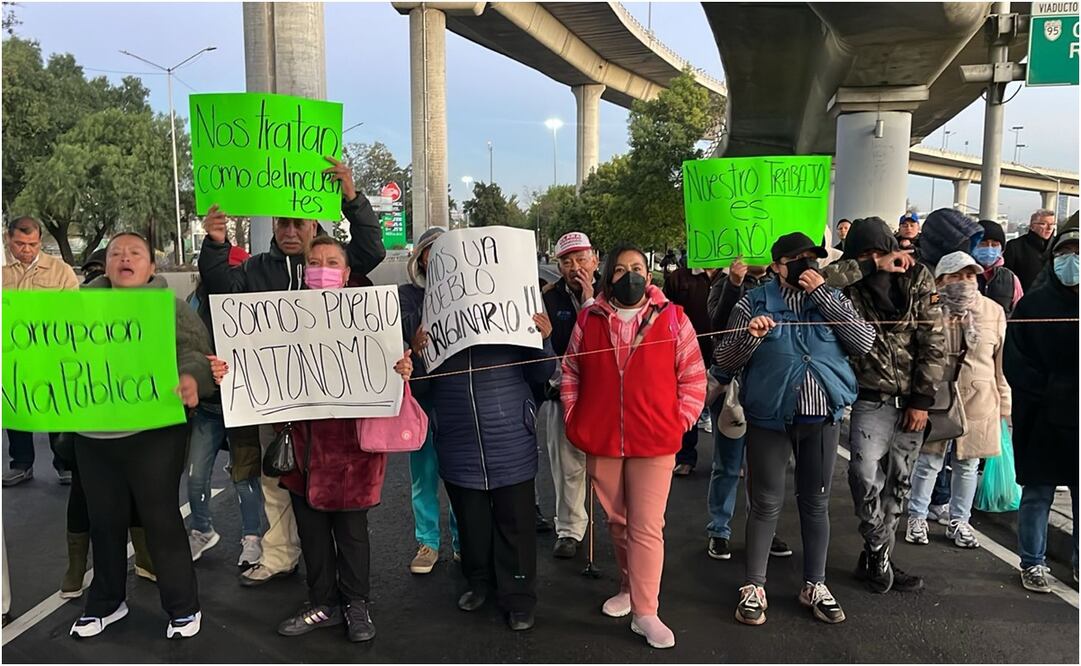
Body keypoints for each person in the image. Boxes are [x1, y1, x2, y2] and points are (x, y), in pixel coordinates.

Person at [213, 237, 414, 642]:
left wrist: (402, 366)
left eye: (332, 261)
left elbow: (392, 366)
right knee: (313, 533)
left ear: (346, 270)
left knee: (352, 534)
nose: (323, 268)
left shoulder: (370, 313)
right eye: (315, 261)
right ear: (305, 269)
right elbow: (255, 362)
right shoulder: (279, 315)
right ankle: (322, 601)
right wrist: (227, 371)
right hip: (303, 449)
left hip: (354, 449)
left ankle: (356, 604)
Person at [198, 156, 385, 587]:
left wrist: (352, 198)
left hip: (332, 397)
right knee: (275, 477)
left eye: (298, 223)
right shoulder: (254, 269)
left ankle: (339, 567)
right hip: (275, 398)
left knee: (330, 482)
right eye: (282, 223)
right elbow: (220, 290)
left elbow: (372, 250)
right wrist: (214, 243)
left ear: (314, 226)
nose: (289, 231)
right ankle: (280, 554)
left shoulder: (333, 261)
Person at [716, 233, 874, 626]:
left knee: (815, 502)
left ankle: (814, 584)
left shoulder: (833, 299)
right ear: (776, 266)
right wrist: (749, 338)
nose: (807, 264)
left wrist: (822, 295)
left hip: (822, 418)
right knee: (765, 502)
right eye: (797, 259)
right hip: (770, 417)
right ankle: (753, 586)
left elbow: (864, 342)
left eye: (812, 258)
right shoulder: (752, 301)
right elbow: (724, 361)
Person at [561, 244, 706, 649]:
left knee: (646, 525)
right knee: (619, 522)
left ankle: (647, 611)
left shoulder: (674, 318)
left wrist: (679, 421)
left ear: (650, 272)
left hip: (655, 441)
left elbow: (694, 376)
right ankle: (629, 588)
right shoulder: (589, 319)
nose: (631, 276)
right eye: (621, 270)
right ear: (609, 276)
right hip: (602, 439)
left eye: (638, 268)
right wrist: (574, 417)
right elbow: (571, 369)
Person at [69, 232, 213, 639]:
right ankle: (106, 602)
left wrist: (191, 378)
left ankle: (183, 607)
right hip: (93, 435)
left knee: (160, 518)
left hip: (154, 433)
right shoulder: (76, 309)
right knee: (104, 521)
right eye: (116, 253)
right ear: (105, 264)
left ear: (152, 266)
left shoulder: (170, 308)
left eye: (135, 253)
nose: (125, 259)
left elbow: (195, 354)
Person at [821, 216, 947, 595]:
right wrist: (871, 266)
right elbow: (818, 283)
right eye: (865, 253)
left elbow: (933, 340)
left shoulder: (918, 278)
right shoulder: (850, 286)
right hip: (869, 399)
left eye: (881, 250)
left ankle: (878, 557)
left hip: (911, 401)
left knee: (899, 485)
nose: (876, 258)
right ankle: (876, 545)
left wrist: (922, 400)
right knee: (863, 476)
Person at [413, 300, 556, 632]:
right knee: (470, 520)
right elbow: (420, 387)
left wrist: (544, 340)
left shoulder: (511, 301)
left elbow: (541, 372)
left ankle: (519, 596)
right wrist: (418, 356)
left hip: (510, 436)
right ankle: (478, 583)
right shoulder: (428, 314)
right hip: (457, 436)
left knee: (515, 523)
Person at [906, 252, 1010, 550]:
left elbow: (1001, 363)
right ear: (940, 281)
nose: (964, 282)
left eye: (970, 276)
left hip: (981, 399)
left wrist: (1005, 405)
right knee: (929, 461)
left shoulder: (993, 311)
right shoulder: (929, 309)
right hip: (938, 398)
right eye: (956, 276)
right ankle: (917, 516)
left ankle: (960, 520)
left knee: (968, 463)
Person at [1004, 216, 1079, 591]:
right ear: (1053, 258)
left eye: (1079, 252)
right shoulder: (1033, 303)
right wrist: (1051, 389)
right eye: (1065, 251)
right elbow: (1015, 361)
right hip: (1041, 415)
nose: (1072, 259)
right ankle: (1032, 562)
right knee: (1038, 493)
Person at [704, 258, 792, 561]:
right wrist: (733, 285)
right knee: (727, 463)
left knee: (764, 468)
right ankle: (719, 529)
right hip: (730, 386)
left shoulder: (780, 286)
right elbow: (717, 325)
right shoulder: (722, 282)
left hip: (768, 387)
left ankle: (764, 528)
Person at [185, 243, 265, 570]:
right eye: (221, 271)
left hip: (243, 405)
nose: (226, 279)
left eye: (233, 272)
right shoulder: (194, 305)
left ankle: (252, 537)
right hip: (208, 406)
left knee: (244, 476)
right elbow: (183, 347)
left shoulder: (256, 304)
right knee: (195, 475)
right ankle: (202, 528)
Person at [398, 227, 461, 574]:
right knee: (423, 475)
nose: (437, 257)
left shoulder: (467, 292)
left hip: (457, 398)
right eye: (431, 251)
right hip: (422, 399)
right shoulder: (407, 295)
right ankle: (428, 542)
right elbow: (401, 331)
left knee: (459, 474)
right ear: (420, 257)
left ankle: (463, 539)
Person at [2, 216, 79, 486]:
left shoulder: (61, 271)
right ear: (8, 239)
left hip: (52, 354)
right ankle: (21, 464)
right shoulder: (3, 272)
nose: (27, 249)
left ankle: (65, 464)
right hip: (12, 356)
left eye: (33, 244)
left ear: (40, 241)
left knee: (57, 408)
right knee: (16, 407)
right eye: (20, 244)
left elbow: (74, 313)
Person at [538, 232, 599, 559]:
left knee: (610, 467)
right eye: (566, 261)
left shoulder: (612, 293)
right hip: (563, 393)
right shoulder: (549, 297)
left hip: (606, 395)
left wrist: (591, 299)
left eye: (581, 258)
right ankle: (569, 529)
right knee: (566, 464)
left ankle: (624, 524)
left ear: (595, 260)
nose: (575, 266)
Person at [663, 259, 719, 477]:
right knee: (686, 406)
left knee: (725, 408)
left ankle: (726, 459)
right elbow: (665, 311)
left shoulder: (731, 275)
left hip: (722, 355)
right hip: (686, 355)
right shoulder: (679, 277)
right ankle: (685, 457)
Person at [972, 220, 1023, 317]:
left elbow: (1019, 313)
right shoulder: (962, 275)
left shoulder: (1011, 279)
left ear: (1001, 249)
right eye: (983, 244)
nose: (989, 249)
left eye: (994, 245)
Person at [1004, 208, 1056, 291]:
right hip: (1023, 299)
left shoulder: (1059, 245)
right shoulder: (1014, 247)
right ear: (1032, 226)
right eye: (1044, 224)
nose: (1049, 228)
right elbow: (1006, 278)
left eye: (1052, 224)